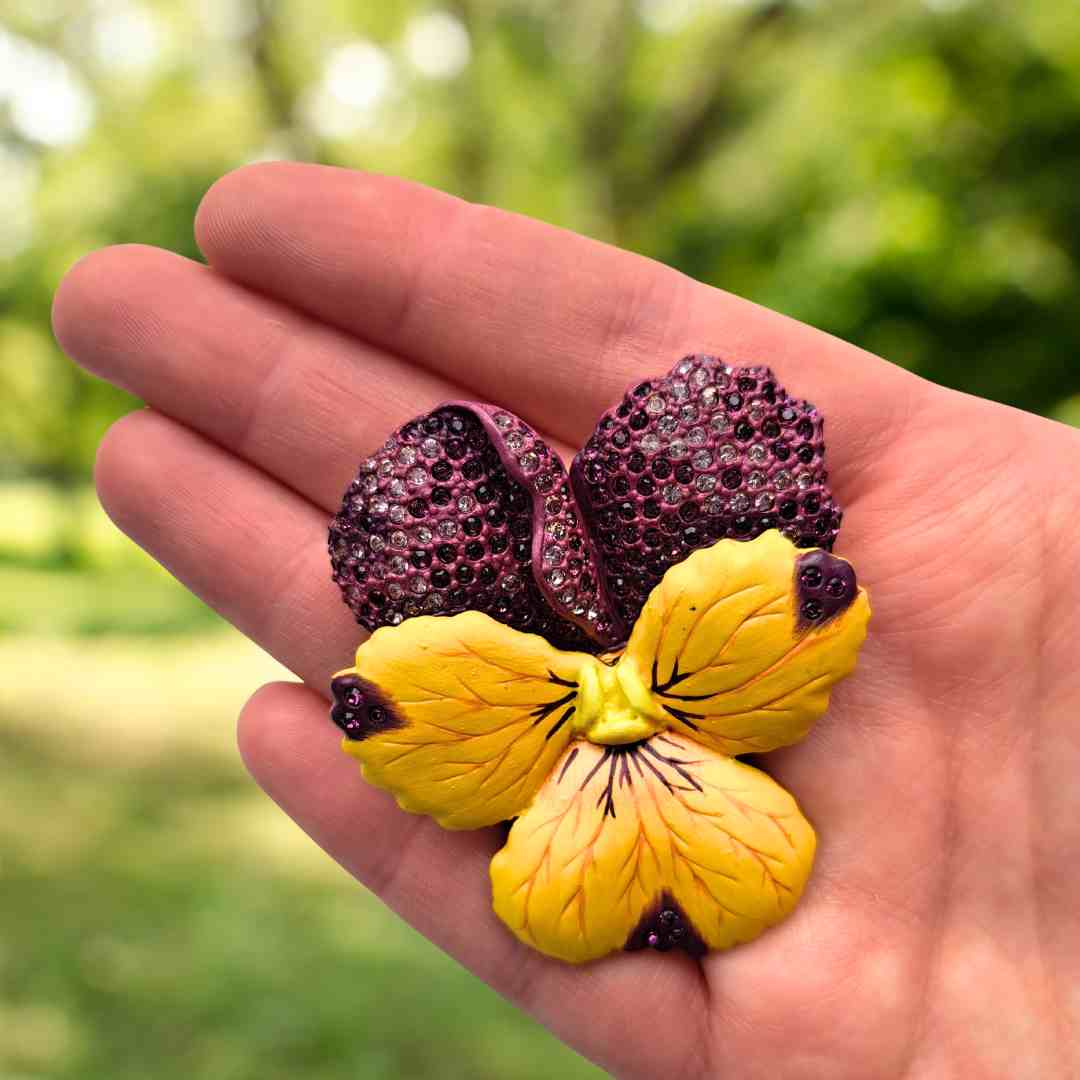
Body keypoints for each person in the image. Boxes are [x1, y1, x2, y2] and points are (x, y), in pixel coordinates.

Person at [52, 162, 1080, 1079]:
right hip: (644, 675)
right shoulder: (680, 599)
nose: (621, 713)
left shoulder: (707, 551)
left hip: (583, 681)